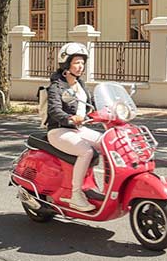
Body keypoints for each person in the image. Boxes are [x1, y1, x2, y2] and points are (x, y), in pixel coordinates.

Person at [45, 42, 102, 211]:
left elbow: (91, 105)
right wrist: (70, 118)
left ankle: (107, 187)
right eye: (76, 62)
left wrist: (107, 112)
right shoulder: (56, 86)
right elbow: (54, 110)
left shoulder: (80, 84)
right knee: (86, 151)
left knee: (107, 143)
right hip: (59, 130)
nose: (80, 66)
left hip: (79, 129)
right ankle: (75, 195)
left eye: (82, 62)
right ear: (66, 62)